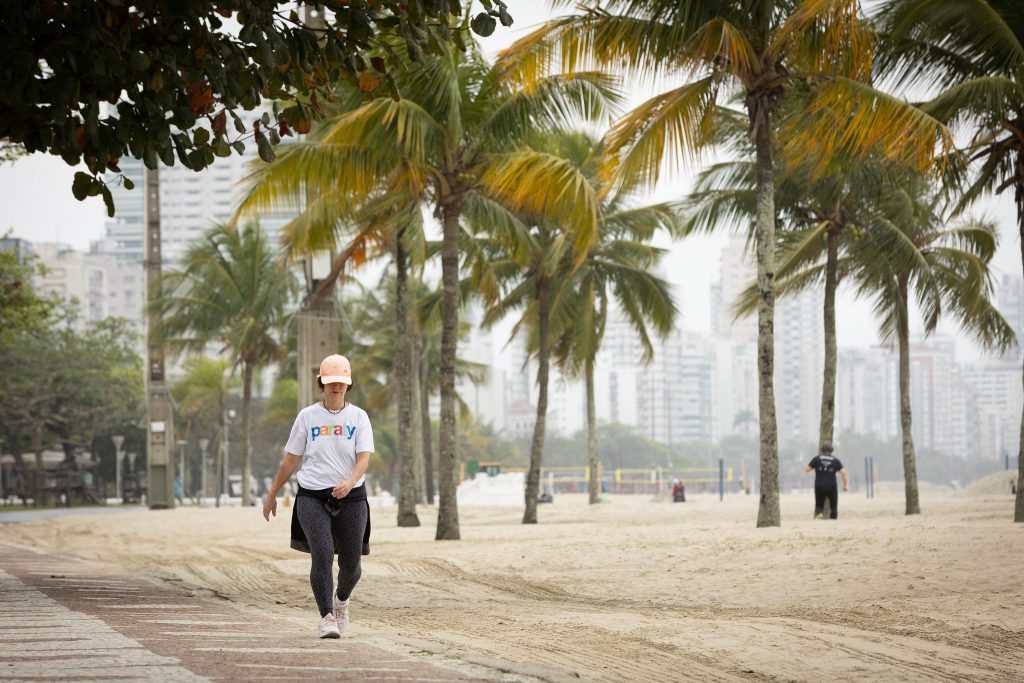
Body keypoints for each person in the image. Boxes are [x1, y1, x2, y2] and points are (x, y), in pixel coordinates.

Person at [263, 354, 374, 639]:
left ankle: (341, 600)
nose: (336, 387)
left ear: (348, 385)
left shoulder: (359, 417)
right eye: (330, 383)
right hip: (312, 496)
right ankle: (326, 617)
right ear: (321, 384)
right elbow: (291, 459)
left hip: (351, 497)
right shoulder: (307, 416)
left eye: (341, 383)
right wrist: (273, 493)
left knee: (352, 566)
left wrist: (350, 483)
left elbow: (363, 458)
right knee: (322, 555)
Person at [804, 442, 848, 519]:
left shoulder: (817, 459)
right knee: (833, 505)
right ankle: (833, 519)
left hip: (819, 485)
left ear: (821, 450)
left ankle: (819, 514)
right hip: (832, 486)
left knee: (819, 504)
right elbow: (844, 472)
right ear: (832, 450)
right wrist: (846, 484)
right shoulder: (835, 460)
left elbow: (807, 469)